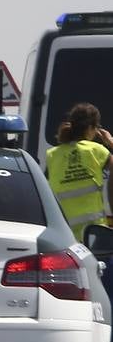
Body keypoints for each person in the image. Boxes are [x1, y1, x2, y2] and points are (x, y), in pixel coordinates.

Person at [45, 102, 113, 242]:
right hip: (93, 233)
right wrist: (110, 141)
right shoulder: (95, 150)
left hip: (63, 234)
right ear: (90, 128)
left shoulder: (53, 155)